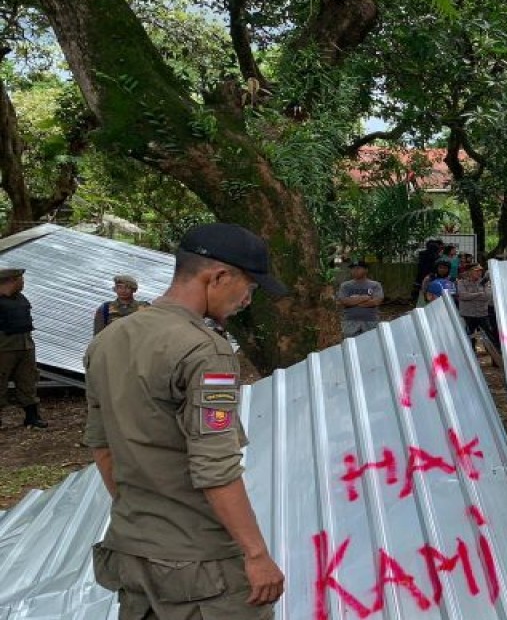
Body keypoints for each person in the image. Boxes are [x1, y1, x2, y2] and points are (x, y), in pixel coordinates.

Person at [83, 222, 287, 617]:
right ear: (219, 276)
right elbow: (215, 465)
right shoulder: (206, 351)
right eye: (250, 286)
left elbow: (102, 446)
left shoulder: (108, 341)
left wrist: (147, 518)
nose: (248, 299)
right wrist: (256, 554)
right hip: (202, 569)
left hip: (132, 550)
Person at [0, 267, 45, 429]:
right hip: (4, 347)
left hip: (25, 345)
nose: (23, 283)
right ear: (12, 280)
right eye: (21, 280)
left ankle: (32, 417)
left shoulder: (20, 298)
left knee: (28, 380)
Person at [336, 260, 383, 338]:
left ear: (366, 270)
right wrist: (365, 297)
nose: (355, 271)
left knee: (371, 343)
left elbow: (376, 302)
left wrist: (353, 301)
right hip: (350, 321)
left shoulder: (375, 285)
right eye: (352, 269)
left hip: (371, 320)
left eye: (358, 268)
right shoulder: (345, 285)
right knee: (351, 345)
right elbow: (344, 301)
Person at [456, 263, 493, 339]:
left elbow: (487, 296)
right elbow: (463, 296)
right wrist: (479, 294)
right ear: (469, 272)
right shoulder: (461, 282)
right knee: (468, 337)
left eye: (480, 271)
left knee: (488, 336)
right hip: (468, 315)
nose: (479, 273)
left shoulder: (485, 282)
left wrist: (471, 295)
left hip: (482, 314)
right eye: (476, 271)